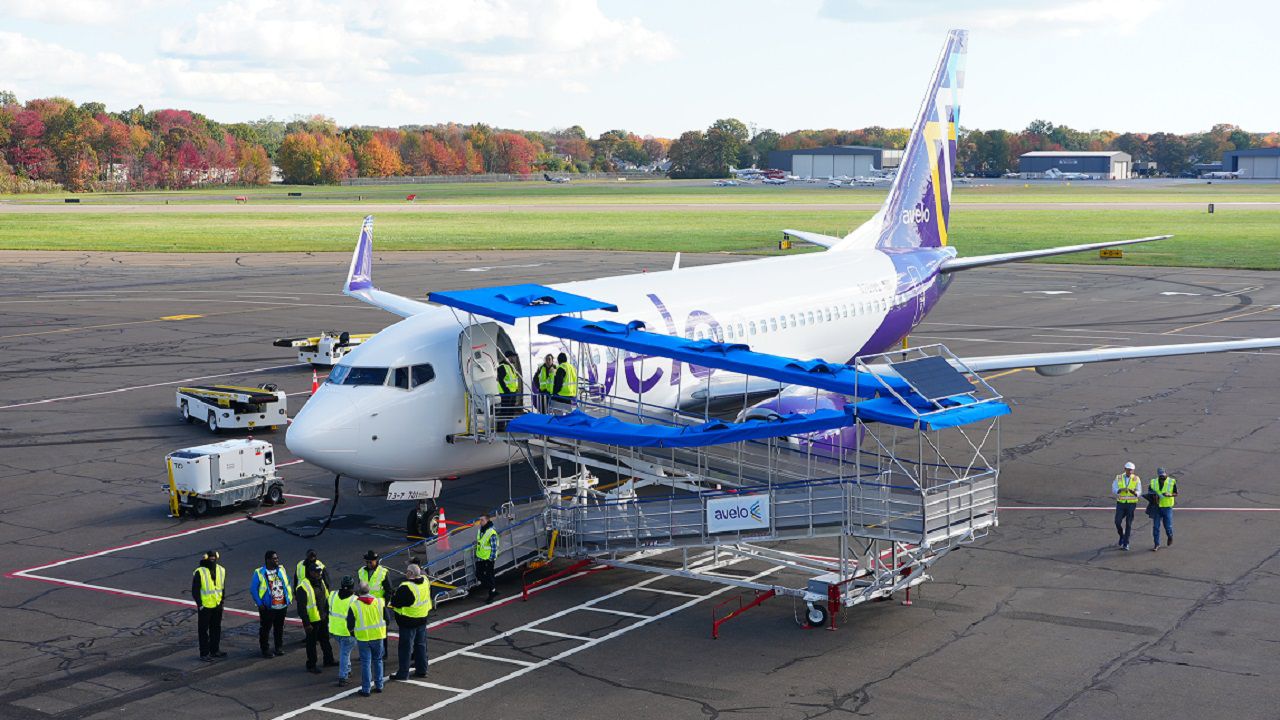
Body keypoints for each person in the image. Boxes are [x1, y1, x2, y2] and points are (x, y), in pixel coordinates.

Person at [388, 564, 432, 680]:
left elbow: (396, 602)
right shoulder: (425, 581)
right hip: (422, 618)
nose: (405, 573)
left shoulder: (406, 587)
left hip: (408, 621)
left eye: (407, 571)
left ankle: (403, 673)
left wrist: (393, 595)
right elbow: (424, 575)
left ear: (411, 573)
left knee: (405, 648)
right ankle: (422, 669)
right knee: (421, 645)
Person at [347, 581, 386, 697]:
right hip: (378, 636)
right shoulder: (379, 602)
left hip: (363, 638)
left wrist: (353, 632)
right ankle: (379, 685)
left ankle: (366, 689)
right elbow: (387, 619)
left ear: (358, 592)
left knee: (366, 663)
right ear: (369, 590)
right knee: (378, 660)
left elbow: (349, 624)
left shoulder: (354, 606)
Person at [297, 560, 335, 674]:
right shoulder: (303, 587)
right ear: (311, 572)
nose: (319, 574)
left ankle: (328, 660)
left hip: (322, 617)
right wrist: (306, 623)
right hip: (312, 620)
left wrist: (327, 613)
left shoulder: (321, 582)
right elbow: (301, 608)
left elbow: (326, 598)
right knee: (311, 643)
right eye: (317, 572)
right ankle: (311, 665)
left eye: (320, 571)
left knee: (325, 639)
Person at [251, 550, 290, 658]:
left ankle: (278, 647)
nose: (277, 560)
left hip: (282, 605)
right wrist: (259, 603)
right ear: (268, 560)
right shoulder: (259, 572)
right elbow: (253, 589)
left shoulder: (281, 569)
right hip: (268, 607)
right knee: (265, 629)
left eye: (277, 558)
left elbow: (287, 583)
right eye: (274, 558)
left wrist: (288, 598)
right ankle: (265, 649)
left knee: (279, 628)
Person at [191, 549, 226, 661]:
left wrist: (221, 602)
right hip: (205, 606)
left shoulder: (221, 570)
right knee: (203, 630)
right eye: (210, 558)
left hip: (217, 604)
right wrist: (200, 604)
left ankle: (214, 650)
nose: (212, 560)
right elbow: (195, 590)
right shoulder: (200, 572)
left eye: (213, 558)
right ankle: (204, 653)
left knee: (216, 628)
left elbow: (222, 587)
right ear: (206, 558)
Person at [358, 550, 393, 652]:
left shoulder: (383, 572)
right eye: (367, 562)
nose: (368, 564)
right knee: (366, 629)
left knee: (381, 630)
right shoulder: (361, 571)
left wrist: (384, 604)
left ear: (376, 561)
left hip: (378, 606)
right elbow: (360, 588)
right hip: (365, 605)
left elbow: (389, 590)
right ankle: (368, 651)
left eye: (370, 562)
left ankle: (383, 652)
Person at [328, 576, 357, 687]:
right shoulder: (354, 599)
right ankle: (343, 677)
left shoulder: (333, 595)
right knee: (344, 653)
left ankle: (348, 670)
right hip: (347, 632)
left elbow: (327, 609)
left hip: (334, 630)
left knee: (345, 652)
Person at [1112, 461, 1141, 551]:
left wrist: (1134, 492)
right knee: (1117, 522)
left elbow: (1139, 492)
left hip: (1131, 504)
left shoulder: (1136, 479)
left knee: (1128, 523)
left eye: (1132, 470)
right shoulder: (1119, 478)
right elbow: (1114, 488)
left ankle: (1126, 543)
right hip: (1121, 503)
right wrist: (1120, 490)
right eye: (1129, 470)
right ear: (1125, 469)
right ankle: (1122, 535)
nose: (1130, 472)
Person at [1149, 467, 1178, 551]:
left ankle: (1170, 536)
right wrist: (1154, 496)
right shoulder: (1153, 482)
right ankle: (1156, 544)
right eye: (1160, 475)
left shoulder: (1172, 481)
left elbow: (1176, 493)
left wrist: (1170, 494)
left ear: (1166, 473)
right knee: (1156, 527)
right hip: (1157, 507)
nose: (1162, 476)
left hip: (1167, 507)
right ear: (1158, 475)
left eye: (1163, 474)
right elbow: (1150, 492)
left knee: (1167, 526)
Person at [474, 514, 500, 603]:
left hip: (488, 558)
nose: (480, 522)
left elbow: (494, 546)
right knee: (478, 574)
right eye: (480, 520)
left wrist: (491, 558)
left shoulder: (491, 532)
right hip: (480, 557)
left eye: (482, 520)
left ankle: (491, 594)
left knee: (489, 575)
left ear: (487, 521)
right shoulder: (480, 530)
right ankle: (492, 589)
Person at [496, 351, 522, 426]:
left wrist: (516, 390)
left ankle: (509, 425)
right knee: (505, 410)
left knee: (511, 410)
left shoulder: (510, 366)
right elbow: (501, 380)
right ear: (509, 357)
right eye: (514, 357)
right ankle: (500, 428)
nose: (515, 358)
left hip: (512, 392)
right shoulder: (502, 366)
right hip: (506, 393)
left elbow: (512, 380)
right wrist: (507, 391)